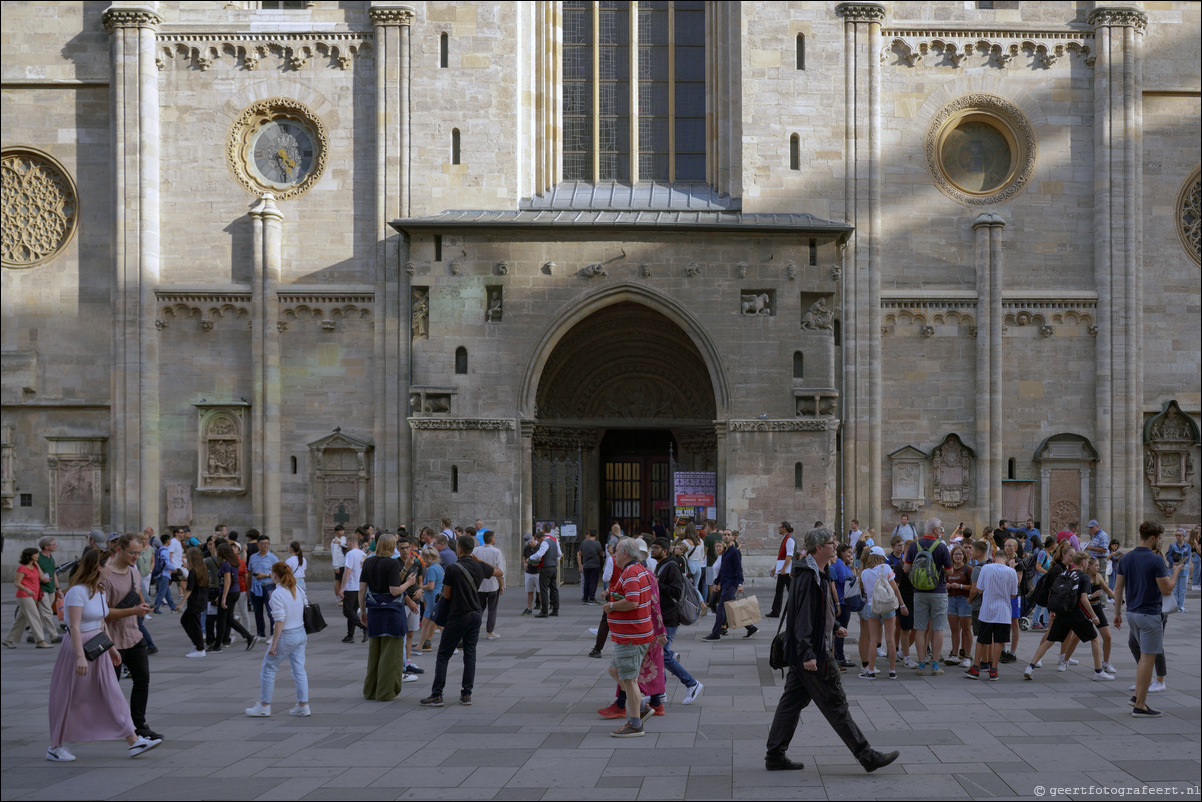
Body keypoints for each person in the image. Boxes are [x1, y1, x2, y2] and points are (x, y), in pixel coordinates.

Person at [764, 527, 900, 773]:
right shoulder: (808, 575)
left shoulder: (819, 571)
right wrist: (807, 654)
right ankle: (866, 756)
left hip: (807, 648)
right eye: (831, 543)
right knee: (836, 704)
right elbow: (803, 616)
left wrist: (834, 625)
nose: (835, 547)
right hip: (813, 652)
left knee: (791, 703)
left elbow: (818, 609)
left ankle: (775, 754)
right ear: (819, 548)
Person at [46, 550, 162, 762]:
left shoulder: (98, 590)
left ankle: (133, 741)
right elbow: (72, 626)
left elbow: (101, 622)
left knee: (112, 692)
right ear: (98, 567)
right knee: (70, 696)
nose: (111, 567)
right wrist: (80, 657)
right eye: (108, 564)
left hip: (97, 647)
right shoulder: (77, 592)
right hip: (78, 647)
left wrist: (111, 648)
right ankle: (55, 746)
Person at [420, 535, 503, 708]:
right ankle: (466, 695)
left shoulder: (452, 568)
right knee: (470, 654)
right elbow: (499, 572)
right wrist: (480, 562)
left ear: (459, 549)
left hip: (458, 615)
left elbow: (448, 595)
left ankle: (437, 695)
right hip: (475, 615)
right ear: (471, 550)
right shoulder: (479, 566)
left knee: (443, 655)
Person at [1114, 521, 1187, 717]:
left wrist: (1117, 613)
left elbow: (1119, 588)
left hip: (1132, 613)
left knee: (1143, 658)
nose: (1161, 542)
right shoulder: (1155, 561)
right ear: (1153, 538)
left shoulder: (1126, 558)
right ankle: (1141, 705)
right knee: (1147, 659)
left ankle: (1137, 695)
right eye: (1161, 538)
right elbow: (1167, 589)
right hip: (1150, 614)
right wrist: (1176, 572)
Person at [100, 534, 162, 741]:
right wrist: (133, 611)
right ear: (119, 549)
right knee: (112, 687)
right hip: (111, 641)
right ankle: (114, 724)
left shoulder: (135, 573)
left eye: (139, 553)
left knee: (142, 680)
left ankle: (139, 725)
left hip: (134, 636)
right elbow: (103, 613)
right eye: (132, 553)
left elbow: (138, 598)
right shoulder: (105, 575)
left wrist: (143, 607)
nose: (136, 556)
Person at [1025, 551, 1114, 683]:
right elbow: (1084, 599)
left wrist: (1053, 610)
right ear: (1083, 562)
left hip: (1061, 612)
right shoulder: (1083, 577)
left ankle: (1030, 667)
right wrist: (1094, 617)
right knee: (1095, 639)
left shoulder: (1065, 573)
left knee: (1049, 640)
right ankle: (1098, 671)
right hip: (1076, 613)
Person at [600, 538, 658, 737]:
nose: (613, 555)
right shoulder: (636, 569)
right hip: (631, 634)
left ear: (625, 553)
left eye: (616, 551)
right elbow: (634, 596)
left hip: (632, 635)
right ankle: (640, 707)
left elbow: (633, 601)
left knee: (629, 678)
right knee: (615, 670)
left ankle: (635, 724)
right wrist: (614, 596)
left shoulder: (632, 571)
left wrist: (612, 606)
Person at [246, 563, 310, 717]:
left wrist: (273, 644)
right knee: (299, 670)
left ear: (274, 575)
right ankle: (303, 705)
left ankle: (264, 705)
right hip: (300, 633)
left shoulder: (277, 593)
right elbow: (306, 606)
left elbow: (279, 621)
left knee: (268, 669)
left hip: (287, 635)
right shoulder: (298, 589)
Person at [359, 534, 418, 701]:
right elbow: (394, 590)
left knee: (375, 652)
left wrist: (362, 611)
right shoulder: (391, 563)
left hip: (374, 610)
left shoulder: (369, 561)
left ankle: (371, 690)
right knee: (391, 653)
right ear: (391, 546)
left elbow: (362, 589)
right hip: (392, 612)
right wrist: (409, 583)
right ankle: (386, 691)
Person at [649, 538, 703, 705]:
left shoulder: (671, 566)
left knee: (663, 656)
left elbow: (677, 592)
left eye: (656, 548)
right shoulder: (660, 565)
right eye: (652, 547)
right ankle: (660, 692)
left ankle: (692, 684)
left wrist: (659, 584)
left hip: (669, 617)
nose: (652, 550)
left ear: (666, 550)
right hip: (661, 617)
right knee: (658, 654)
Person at [903, 518, 951, 676]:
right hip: (938, 592)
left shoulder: (914, 546)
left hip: (919, 592)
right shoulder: (941, 547)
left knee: (920, 628)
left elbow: (906, 568)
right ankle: (935, 666)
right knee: (937, 629)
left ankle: (922, 665)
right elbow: (950, 572)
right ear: (936, 530)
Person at [966, 542, 1017, 681]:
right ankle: (994, 669)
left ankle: (975, 668)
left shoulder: (986, 568)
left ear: (994, 557)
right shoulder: (1011, 571)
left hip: (987, 610)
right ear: (1006, 559)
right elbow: (1013, 594)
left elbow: (980, 589)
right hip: (1003, 612)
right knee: (999, 641)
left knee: (982, 640)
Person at [857, 546, 906, 679]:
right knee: (890, 639)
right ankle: (892, 671)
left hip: (872, 606)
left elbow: (866, 592)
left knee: (873, 639)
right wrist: (902, 604)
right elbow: (895, 589)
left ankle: (871, 671)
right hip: (888, 605)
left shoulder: (864, 573)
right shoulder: (886, 568)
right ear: (880, 558)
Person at [703, 531, 757, 640]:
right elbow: (723, 570)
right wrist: (716, 582)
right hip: (725, 584)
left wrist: (740, 584)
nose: (726, 536)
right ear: (722, 537)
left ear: (732, 537)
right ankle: (751, 628)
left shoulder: (734, 552)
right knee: (733, 609)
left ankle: (716, 633)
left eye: (728, 535)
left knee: (721, 609)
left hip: (730, 585)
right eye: (725, 535)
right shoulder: (725, 552)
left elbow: (738, 569)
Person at [214, 542, 257, 652]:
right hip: (235, 591)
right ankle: (248, 637)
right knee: (229, 619)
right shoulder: (234, 562)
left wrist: (223, 598)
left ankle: (217, 645)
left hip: (229, 592)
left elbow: (227, 581)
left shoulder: (225, 564)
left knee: (221, 619)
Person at [5, 547, 51, 649]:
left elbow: (42, 577)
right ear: (30, 556)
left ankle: (9, 639)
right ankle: (40, 640)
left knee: (21, 620)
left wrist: (37, 565)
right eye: (36, 554)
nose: (38, 555)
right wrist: (27, 590)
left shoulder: (34, 567)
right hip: (24, 596)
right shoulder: (22, 568)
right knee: (35, 617)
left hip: (32, 596)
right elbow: (17, 583)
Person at [472, 531, 506, 640]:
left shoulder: (476, 550)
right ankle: (490, 631)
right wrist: (502, 585)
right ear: (492, 539)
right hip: (492, 584)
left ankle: (474, 630)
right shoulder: (496, 552)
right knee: (492, 609)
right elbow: (500, 570)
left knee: (479, 608)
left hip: (479, 584)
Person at [944, 543, 973, 666]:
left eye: (960, 554)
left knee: (966, 629)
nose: (958, 556)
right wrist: (946, 586)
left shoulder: (968, 569)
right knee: (954, 629)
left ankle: (966, 656)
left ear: (964, 556)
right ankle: (954, 655)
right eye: (955, 554)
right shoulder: (948, 569)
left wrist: (960, 586)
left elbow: (973, 587)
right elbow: (943, 582)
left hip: (964, 600)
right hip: (951, 599)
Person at [247, 533, 279, 639]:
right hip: (255, 586)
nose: (265, 546)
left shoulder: (273, 558)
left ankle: (272, 634)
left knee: (270, 611)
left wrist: (265, 575)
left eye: (267, 544)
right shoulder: (252, 557)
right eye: (263, 544)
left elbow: (277, 574)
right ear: (258, 544)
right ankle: (260, 633)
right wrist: (248, 588)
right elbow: (250, 572)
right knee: (257, 611)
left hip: (268, 586)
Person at [180, 547, 210, 658]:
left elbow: (189, 589)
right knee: (189, 621)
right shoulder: (202, 568)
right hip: (201, 599)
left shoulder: (193, 571)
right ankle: (197, 644)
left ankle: (200, 647)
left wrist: (181, 604)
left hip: (195, 600)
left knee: (192, 623)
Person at [338, 533, 368, 643]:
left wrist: (342, 588)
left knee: (347, 611)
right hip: (359, 586)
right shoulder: (363, 554)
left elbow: (347, 571)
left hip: (351, 587)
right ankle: (350, 635)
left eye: (347, 543)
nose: (347, 545)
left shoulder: (350, 554)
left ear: (350, 542)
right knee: (353, 611)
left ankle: (365, 627)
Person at [35, 537, 64, 645]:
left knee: (42, 612)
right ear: (46, 547)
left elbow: (53, 574)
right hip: (42, 589)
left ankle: (31, 634)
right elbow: (32, 573)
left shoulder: (51, 557)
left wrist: (58, 589)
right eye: (53, 544)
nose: (55, 545)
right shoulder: (37, 558)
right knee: (47, 613)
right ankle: (54, 635)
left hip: (50, 588)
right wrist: (41, 578)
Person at [417, 546, 444, 653]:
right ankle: (421, 645)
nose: (423, 561)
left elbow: (430, 586)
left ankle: (420, 646)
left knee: (430, 622)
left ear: (429, 558)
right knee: (432, 622)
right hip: (436, 597)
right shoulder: (438, 567)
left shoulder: (432, 569)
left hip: (433, 598)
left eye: (424, 558)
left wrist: (420, 587)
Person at [530, 524, 561, 618]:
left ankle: (544, 611)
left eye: (538, 540)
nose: (538, 542)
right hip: (554, 567)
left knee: (543, 589)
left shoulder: (544, 542)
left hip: (546, 568)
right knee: (554, 588)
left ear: (539, 538)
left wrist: (530, 558)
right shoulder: (554, 541)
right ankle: (555, 609)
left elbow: (540, 554)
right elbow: (559, 553)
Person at [767, 522, 796, 618]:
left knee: (791, 590)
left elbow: (789, 555)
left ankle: (796, 609)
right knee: (779, 589)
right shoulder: (786, 538)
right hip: (783, 569)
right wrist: (776, 568)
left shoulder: (789, 539)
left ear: (784, 528)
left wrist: (783, 569)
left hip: (786, 570)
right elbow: (782, 556)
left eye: (780, 527)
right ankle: (776, 610)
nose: (778, 529)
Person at [151, 533, 177, 614]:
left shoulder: (159, 550)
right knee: (162, 592)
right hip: (164, 574)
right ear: (167, 541)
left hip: (159, 574)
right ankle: (156, 608)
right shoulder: (165, 551)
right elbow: (167, 562)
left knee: (167, 592)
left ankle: (173, 607)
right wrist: (173, 569)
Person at [577, 529, 605, 605]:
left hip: (586, 564)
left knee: (587, 581)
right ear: (596, 535)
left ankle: (585, 598)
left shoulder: (584, 543)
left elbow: (580, 553)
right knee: (593, 582)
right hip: (595, 564)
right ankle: (591, 598)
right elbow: (600, 553)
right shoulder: (597, 543)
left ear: (589, 535)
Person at [1167, 529, 1191, 614]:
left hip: (1183, 569)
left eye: (1180, 535)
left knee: (1182, 589)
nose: (1178, 537)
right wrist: (1173, 563)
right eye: (1176, 535)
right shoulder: (1172, 545)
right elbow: (1168, 556)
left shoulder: (1188, 546)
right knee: (1174, 589)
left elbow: (1187, 558)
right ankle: (1175, 606)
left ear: (1184, 537)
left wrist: (1181, 563)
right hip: (1173, 569)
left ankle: (1181, 606)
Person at [331, 523, 348, 589]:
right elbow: (334, 554)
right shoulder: (334, 541)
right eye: (340, 530)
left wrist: (340, 542)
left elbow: (347, 545)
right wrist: (336, 566)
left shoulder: (344, 539)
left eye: (342, 530)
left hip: (345, 562)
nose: (342, 532)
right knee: (338, 581)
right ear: (336, 532)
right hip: (339, 564)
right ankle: (338, 597)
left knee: (344, 580)